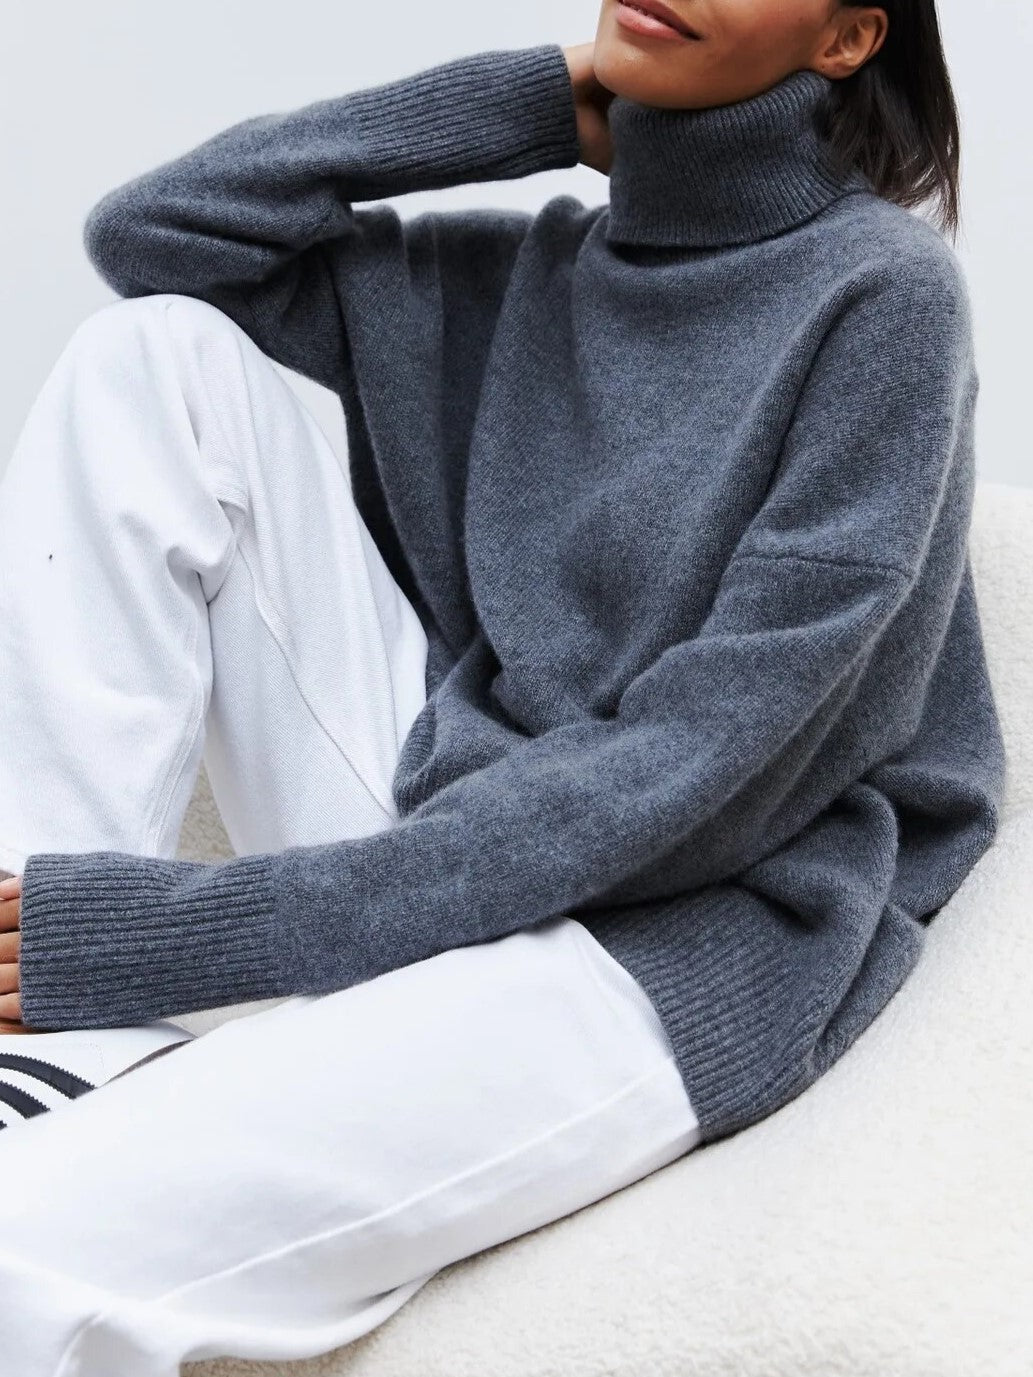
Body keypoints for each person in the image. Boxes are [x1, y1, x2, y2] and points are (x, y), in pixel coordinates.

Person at [0, 0, 1006, 1372]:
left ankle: (74, 1019)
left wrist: (196, 932)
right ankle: (43, 1019)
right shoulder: (534, 273)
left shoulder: (881, 297)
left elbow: (706, 769)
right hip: (452, 811)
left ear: (846, 41)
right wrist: (526, 101)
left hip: (659, 933)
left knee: (31, 1238)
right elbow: (154, 235)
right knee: (150, 357)